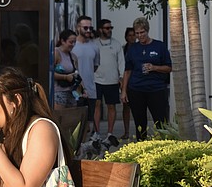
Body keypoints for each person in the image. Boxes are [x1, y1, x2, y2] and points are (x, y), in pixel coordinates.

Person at [121, 17, 172, 141]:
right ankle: (141, 146)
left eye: (142, 32)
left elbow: (169, 68)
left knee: (160, 121)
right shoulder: (133, 48)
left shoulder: (159, 46)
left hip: (156, 89)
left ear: (147, 31)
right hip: (136, 89)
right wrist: (124, 91)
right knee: (139, 122)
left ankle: (164, 144)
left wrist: (154, 67)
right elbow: (128, 70)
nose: (140, 36)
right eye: (137, 33)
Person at [93, 18, 124, 147]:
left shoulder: (116, 44)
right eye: (107, 28)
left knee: (111, 106)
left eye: (111, 28)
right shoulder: (94, 44)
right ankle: (96, 132)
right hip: (96, 79)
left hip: (112, 80)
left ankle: (110, 133)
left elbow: (121, 61)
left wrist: (121, 77)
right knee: (97, 105)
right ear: (100, 29)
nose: (109, 30)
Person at [71, 15, 100, 134]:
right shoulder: (72, 45)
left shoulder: (94, 46)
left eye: (90, 28)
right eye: (85, 28)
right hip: (74, 90)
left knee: (87, 124)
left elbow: (95, 66)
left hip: (90, 88)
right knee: (75, 123)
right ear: (78, 28)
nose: (88, 31)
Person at [52, 29, 79, 109]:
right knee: (59, 116)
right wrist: (65, 77)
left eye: (74, 42)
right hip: (58, 91)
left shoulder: (73, 56)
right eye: (70, 42)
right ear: (63, 41)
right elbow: (49, 73)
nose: (73, 45)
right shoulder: (56, 53)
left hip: (71, 91)